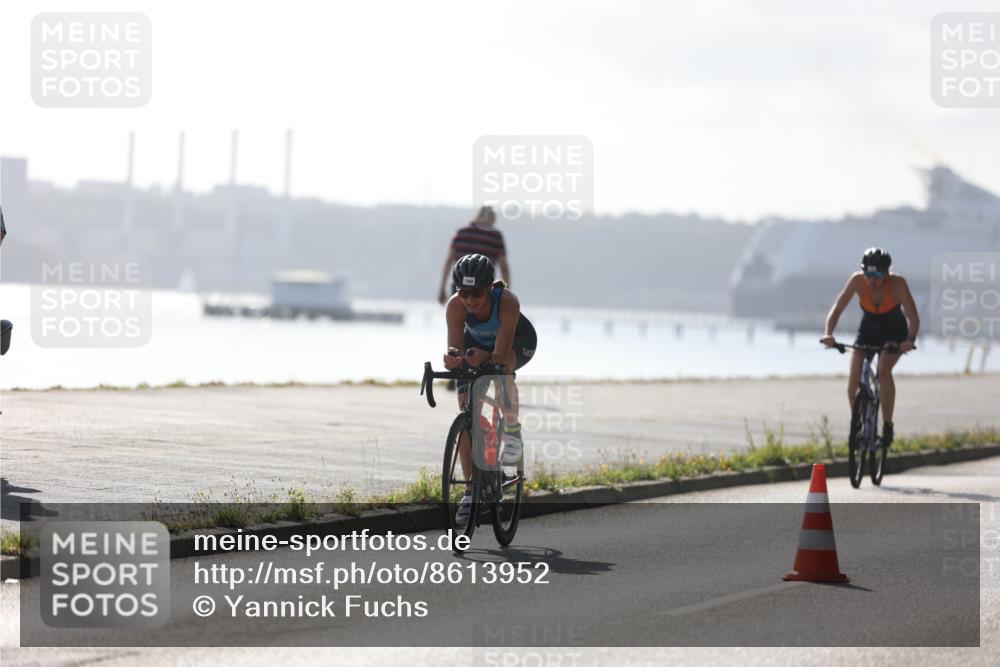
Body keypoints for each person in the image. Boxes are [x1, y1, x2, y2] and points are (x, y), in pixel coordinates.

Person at [442, 254, 536, 523]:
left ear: (490, 289)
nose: (470, 300)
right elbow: (455, 349)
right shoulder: (455, 307)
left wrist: (485, 356)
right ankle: (472, 489)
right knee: (467, 411)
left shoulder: (507, 302)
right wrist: (451, 358)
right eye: (464, 292)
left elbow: (500, 354)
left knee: (503, 372)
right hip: (479, 344)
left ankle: (513, 432)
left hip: (515, 342)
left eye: (477, 293)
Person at [820, 248, 919, 447]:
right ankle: (861, 426)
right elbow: (837, 308)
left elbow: (913, 317)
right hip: (868, 330)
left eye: (878, 274)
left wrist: (909, 339)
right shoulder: (857, 281)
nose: (872, 279)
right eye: (869, 274)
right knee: (853, 383)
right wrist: (828, 333)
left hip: (894, 332)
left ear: (887, 273)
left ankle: (887, 425)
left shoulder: (898, 284)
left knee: (883, 369)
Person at [437, 206, 511, 305]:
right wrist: (507, 293)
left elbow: (448, 262)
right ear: (492, 219)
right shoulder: (496, 236)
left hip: (460, 287)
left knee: (456, 317)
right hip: (484, 290)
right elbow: (504, 267)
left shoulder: (461, 232)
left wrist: (442, 288)